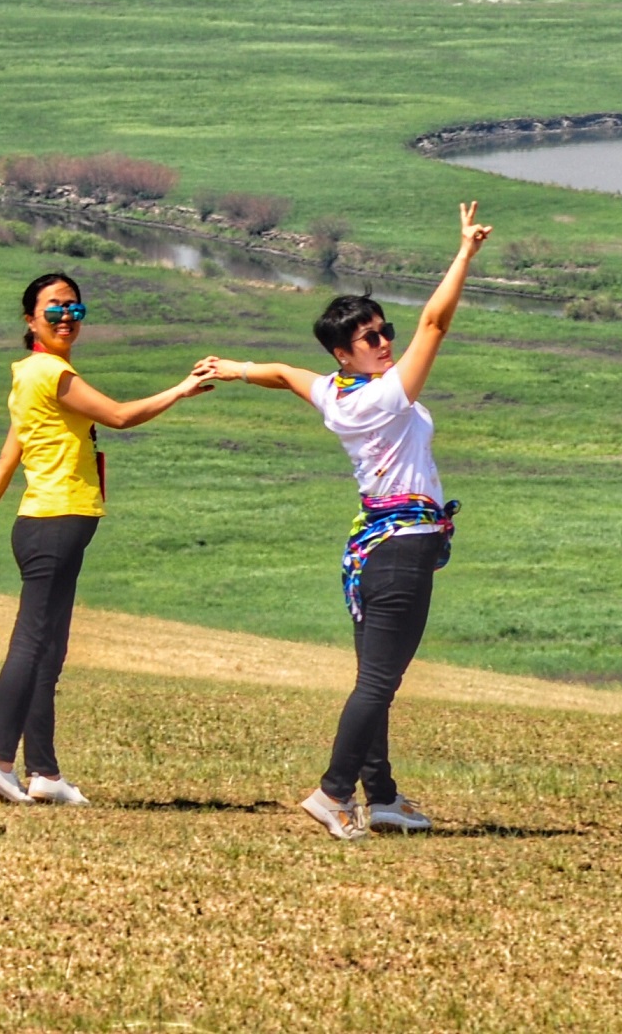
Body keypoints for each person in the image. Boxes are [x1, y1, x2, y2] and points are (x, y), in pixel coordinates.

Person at [200, 204, 490, 840]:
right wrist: (465, 253)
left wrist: (233, 369)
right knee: (381, 683)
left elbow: (284, 373)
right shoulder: (387, 396)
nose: (387, 343)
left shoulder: (336, 391)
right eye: (372, 338)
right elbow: (437, 322)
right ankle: (333, 794)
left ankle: (381, 796)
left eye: (387, 331)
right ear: (345, 351)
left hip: (370, 550)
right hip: (402, 551)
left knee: (372, 680)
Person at [0, 272, 215, 807]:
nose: (66, 317)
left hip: (49, 522)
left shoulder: (30, 376)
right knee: (32, 643)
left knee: (49, 649)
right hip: (55, 521)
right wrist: (182, 388)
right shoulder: (50, 371)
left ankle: (43, 772)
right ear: (30, 320)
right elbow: (119, 416)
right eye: (53, 309)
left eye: (74, 309)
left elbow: (10, 457)